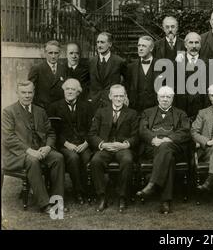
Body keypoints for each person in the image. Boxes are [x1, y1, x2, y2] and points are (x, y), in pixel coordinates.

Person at [2, 81, 65, 214]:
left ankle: (56, 201)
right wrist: (30, 151)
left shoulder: (40, 111)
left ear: (34, 93)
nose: (27, 95)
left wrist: (48, 147)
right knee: (32, 160)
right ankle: (44, 204)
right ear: (17, 93)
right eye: (23, 93)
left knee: (58, 157)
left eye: (30, 92)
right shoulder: (8, 112)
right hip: (18, 154)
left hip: (40, 149)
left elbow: (50, 133)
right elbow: (9, 139)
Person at [136, 86, 191, 214]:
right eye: (162, 97)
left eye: (168, 97)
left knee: (166, 148)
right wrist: (153, 139)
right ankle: (165, 201)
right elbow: (142, 130)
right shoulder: (147, 112)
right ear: (157, 98)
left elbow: (185, 132)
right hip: (152, 147)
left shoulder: (181, 113)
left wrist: (169, 139)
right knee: (168, 158)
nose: (165, 99)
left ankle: (152, 184)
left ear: (172, 99)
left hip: (173, 146)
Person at [88, 84, 138, 213]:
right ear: (110, 96)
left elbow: (136, 136)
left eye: (121, 96)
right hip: (105, 147)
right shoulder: (101, 112)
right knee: (95, 161)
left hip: (123, 148)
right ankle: (102, 197)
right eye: (116, 96)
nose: (118, 98)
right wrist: (103, 144)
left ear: (125, 96)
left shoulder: (132, 113)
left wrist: (125, 144)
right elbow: (92, 134)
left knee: (127, 160)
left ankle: (122, 197)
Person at [47, 78, 93, 204]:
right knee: (73, 158)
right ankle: (78, 192)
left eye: (73, 89)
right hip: (65, 144)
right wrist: (67, 144)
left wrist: (86, 143)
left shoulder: (87, 106)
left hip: (83, 143)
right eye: (67, 89)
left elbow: (93, 129)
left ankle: (88, 190)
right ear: (63, 91)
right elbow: (53, 131)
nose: (70, 92)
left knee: (87, 157)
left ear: (78, 92)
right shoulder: (54, 107)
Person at [174, 32, 209, 122]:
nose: (194, 46)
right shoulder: (177, 62)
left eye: (196, 43)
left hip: (201, 108)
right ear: (185, 45)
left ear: (200, 45)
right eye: (191, 42)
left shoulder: (207, 63)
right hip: (181, 108)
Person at [89, 32, 127, 112]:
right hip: (94, 102)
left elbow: (127, 81)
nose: (99, 45)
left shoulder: (119, 61)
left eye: (102, 42)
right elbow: (87, 82)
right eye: (98, 42)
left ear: (110, 44)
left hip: (112, 102)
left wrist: (123, 95)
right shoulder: (91, 61)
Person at [126, 36, 160, 114]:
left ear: (151, 48)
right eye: (139, 45)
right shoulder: (131, 67)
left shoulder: (161, 66)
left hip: (155, 109)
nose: (140, 48)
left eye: (144, 46)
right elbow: (127, 87)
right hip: (136, 110)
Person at [28, 40, 66, 109]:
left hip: (59, 110)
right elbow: (30, 90)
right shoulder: (37, 69)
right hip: (42, 109)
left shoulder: (64, 69)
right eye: (50, 53)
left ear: (60, 54)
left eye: (56, 53)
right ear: (45, 53)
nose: (53, 56)